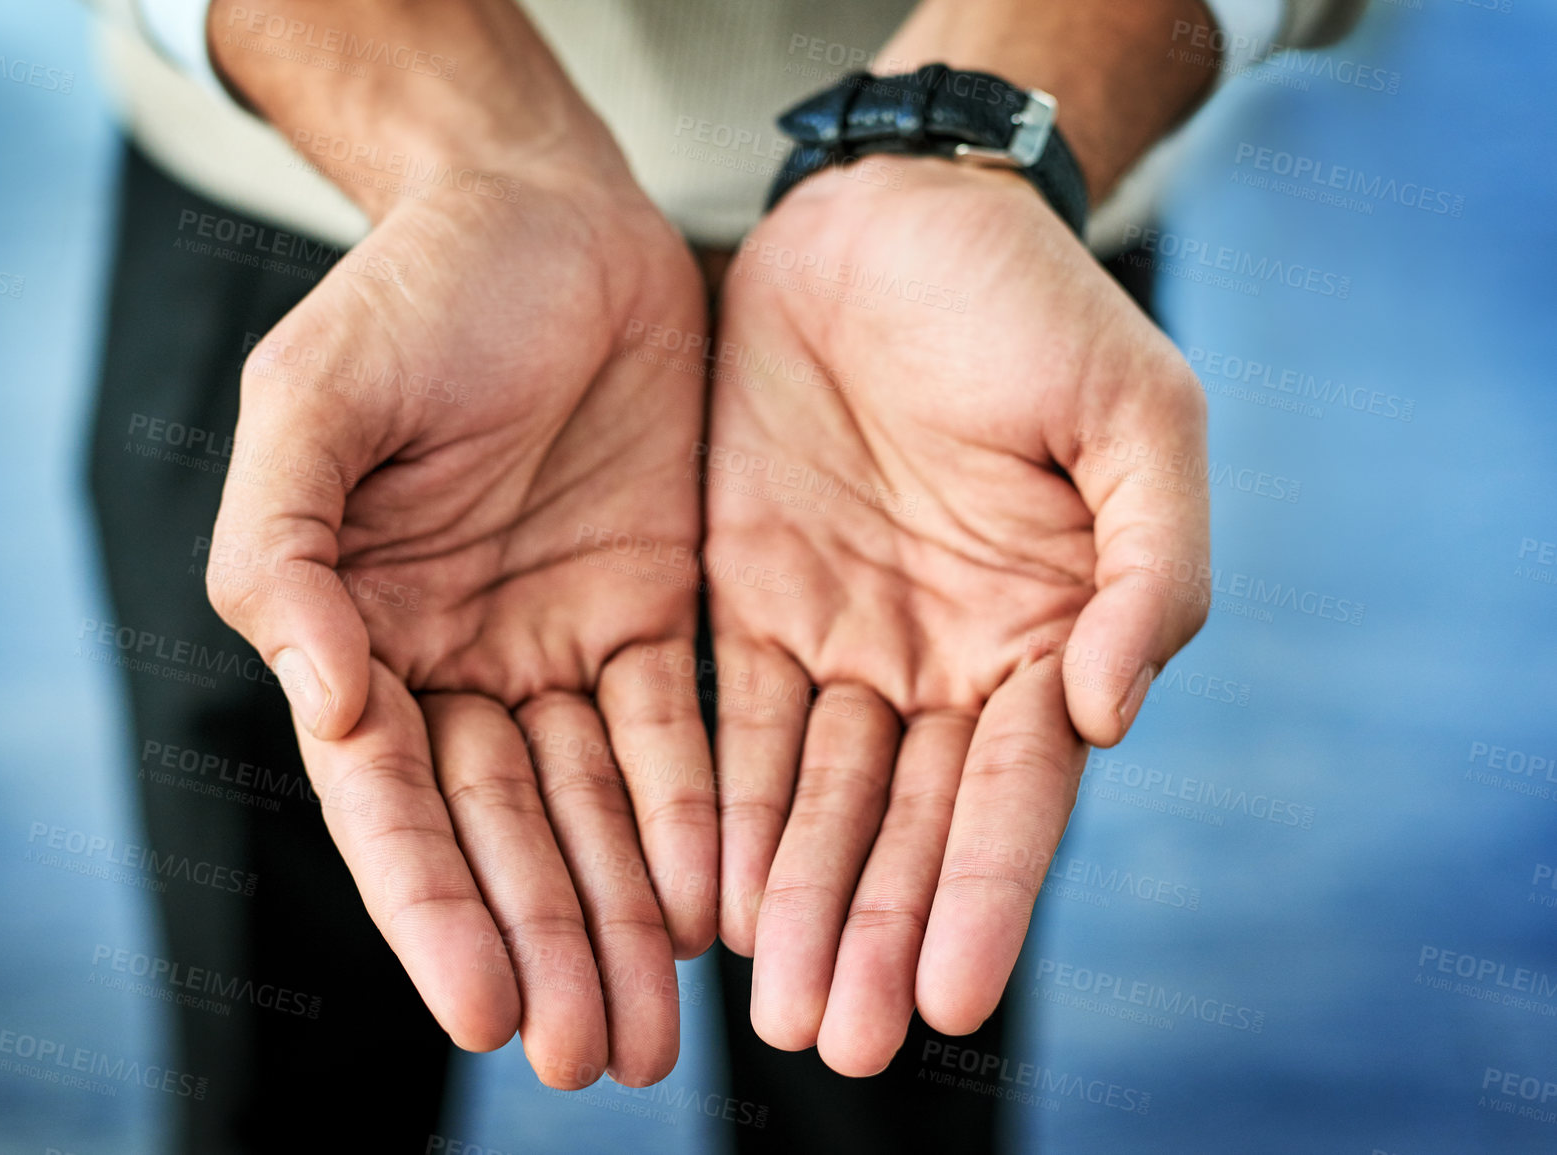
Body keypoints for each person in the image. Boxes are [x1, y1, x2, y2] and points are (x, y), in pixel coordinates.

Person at [85, 0, 1365, 1149]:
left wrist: (968, 136)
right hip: (371, 261)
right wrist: (471, 148)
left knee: (884, 980)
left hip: (980, 275)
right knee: (292, 1026)